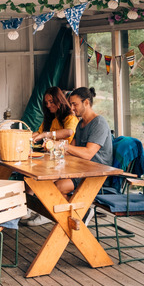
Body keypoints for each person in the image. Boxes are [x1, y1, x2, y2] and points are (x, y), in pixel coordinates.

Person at [27, 87, 112, 227]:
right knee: (42, 180)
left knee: (58, 187)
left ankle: (72, 214)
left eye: (75, 104)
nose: (71, 108)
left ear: (86, 103)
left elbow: (88, 153)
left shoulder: (99, 123)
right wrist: (53, 151)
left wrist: (62, 145)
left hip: (95, 173)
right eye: (70, 104)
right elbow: (70, 151)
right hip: (79, 168)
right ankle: (77, 214)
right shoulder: (80, 124)